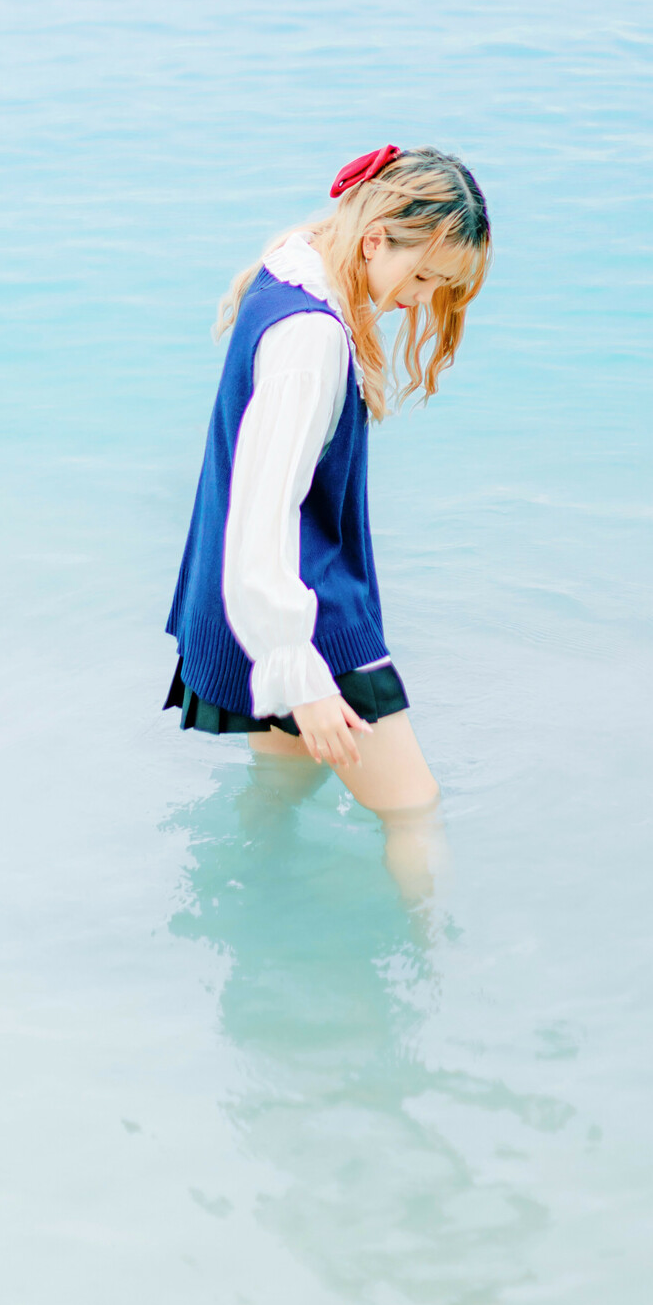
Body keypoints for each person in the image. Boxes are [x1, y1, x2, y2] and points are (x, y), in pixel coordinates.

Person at [162, 143, 492, 829]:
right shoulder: (311, 339)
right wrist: (299, 671)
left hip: (252, 594)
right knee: (414, 812)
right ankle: (422, 917)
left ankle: (251, 897)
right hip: (303, 611)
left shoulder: (297, 261)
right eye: (422, 275)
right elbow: (264, 510)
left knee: (282, 789)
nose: (420, 299)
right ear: (375, 239)